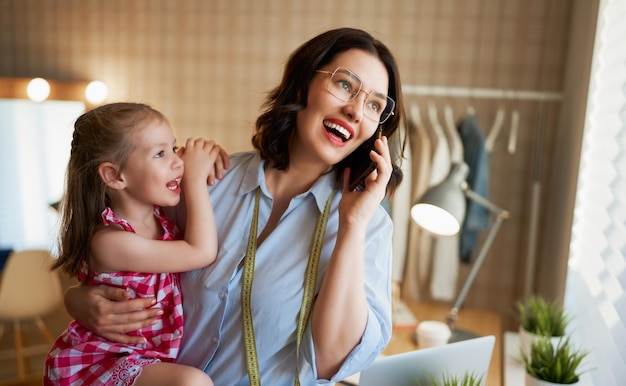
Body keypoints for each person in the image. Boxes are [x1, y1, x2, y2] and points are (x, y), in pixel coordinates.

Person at [64, 27, 407, 385]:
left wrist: (352, 225)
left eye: (374, 105)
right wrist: (79, 299)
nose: (354, 110)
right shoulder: (207, 182)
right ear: (303, 83)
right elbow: (116, 254)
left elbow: (331, 362)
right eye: (345, 85)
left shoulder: (369, 227)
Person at [45, 102, 229, 386]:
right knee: (192, 382)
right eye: (160, 153)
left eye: (174, 148)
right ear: (114, 176)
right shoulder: (110, 241)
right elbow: (201, 251)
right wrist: (193, 179)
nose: (178, 162)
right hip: (105, 360)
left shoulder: (162, 220)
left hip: (144, 358)